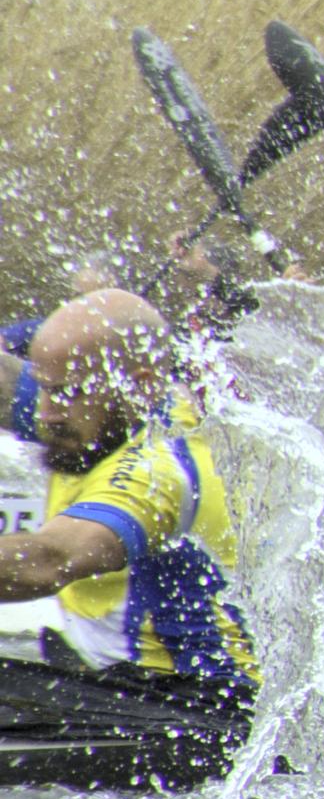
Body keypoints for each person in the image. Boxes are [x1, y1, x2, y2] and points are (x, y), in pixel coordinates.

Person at [0, 291, 255, 716]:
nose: (44, 414)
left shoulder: (156, 469)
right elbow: (8, 385)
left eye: (62, 394)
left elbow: (48, 560)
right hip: (115, 678)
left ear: (138, 383)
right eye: (43, 390)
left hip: (198, 711)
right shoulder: (97, 403)